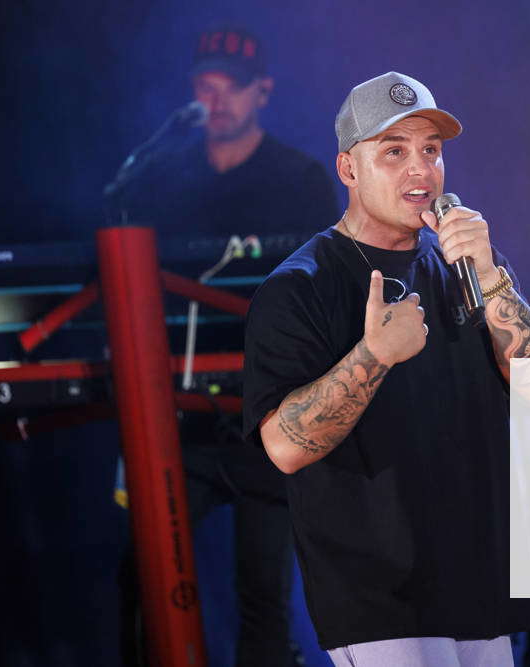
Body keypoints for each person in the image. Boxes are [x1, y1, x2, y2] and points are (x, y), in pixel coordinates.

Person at [239, 71, 530, 667]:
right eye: (394, 152)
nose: (421, 170)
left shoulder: (471, 270)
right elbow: (284, 446)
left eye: (431, 151)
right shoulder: (300, 287)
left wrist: (491, 276)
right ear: (348, 169)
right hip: (379, 599)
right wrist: (374, 355)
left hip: (479, 583)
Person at [115, 26, 338, 667]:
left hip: (265, 414)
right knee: (143, 573)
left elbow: (323, 297)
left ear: (261, 92)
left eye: (230, 88)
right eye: (204, 87)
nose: (215, 101)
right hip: (178, 415)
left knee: (262, 597)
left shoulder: (298, 179)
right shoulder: (158, 181)